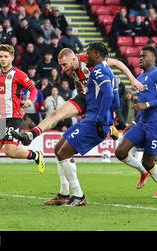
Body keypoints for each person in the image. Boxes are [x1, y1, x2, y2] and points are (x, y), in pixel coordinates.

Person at [10, 47, 145, 146]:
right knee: (56, 114)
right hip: (84, 97)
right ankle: (30, 135)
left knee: (103, 119)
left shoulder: (88, 59)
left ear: (73, 59)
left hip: (99, 99)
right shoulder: (69, 70)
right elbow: (78, 82)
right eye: (61, 65)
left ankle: (110, 126)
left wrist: (133, 80)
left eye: (64, 64)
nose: (62, 68)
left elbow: (117, 63)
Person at [46, 42, 119, 206]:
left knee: (63, 153)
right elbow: (116, 101)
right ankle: (64, 194)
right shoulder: (102, 71)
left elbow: (108, 95)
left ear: (98, 55)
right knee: (58, 149)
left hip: (95, 120)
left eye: (89, 53)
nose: (85, 56)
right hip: (92, 118)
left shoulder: (98, 70)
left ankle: (78, 196)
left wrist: (102, 119)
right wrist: (109, 117)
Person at [0, 44, 45, 198]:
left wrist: (30, 101)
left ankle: (36, 155)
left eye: (6, 56)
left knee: (10, 152)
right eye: (1, 56)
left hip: (13, 118)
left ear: (12, 58)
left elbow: (33, 89)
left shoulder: (19, 74)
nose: (3, 59)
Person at [115, 46, 157, 199]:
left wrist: (146, 105)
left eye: (144, 56)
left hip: (156, 123)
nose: (140, 58)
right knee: (120, 152)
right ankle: (143, 172)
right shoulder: (139, 79)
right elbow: (141, 105)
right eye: (139, 56)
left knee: (148, 161)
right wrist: (133, 123)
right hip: (142, 123)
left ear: (153, 58)